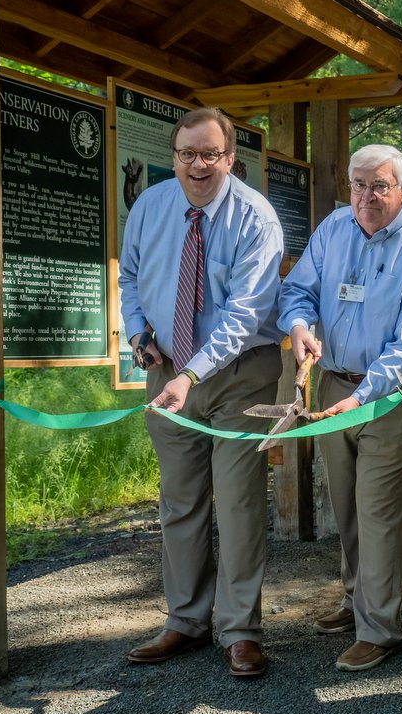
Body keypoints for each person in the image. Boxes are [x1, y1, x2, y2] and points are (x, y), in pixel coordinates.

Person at [119, 107, 285, 678]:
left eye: (209, 154)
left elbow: (246, 315)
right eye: (187, 154)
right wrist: (140, 334)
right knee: (180, 500)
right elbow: (129, 277)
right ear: (174, 157)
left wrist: (193, 373)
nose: (197, 165)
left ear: (230, 158)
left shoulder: (255, 217)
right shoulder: (150, 206)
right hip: (167, 374)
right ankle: (186, 621)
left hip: (241, 375)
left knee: (237, 504)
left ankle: (240, 631)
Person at [279, 144, 402, 673]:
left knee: (378, 510)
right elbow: (298, 291)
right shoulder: (332, 229)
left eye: (379, 186)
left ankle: (379, 629)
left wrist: (360, 397)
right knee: (347, 504)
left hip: (392, 398)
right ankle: (357, 600)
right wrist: (302, 328)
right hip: (335, 387)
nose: (367, 196)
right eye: (358, 185)